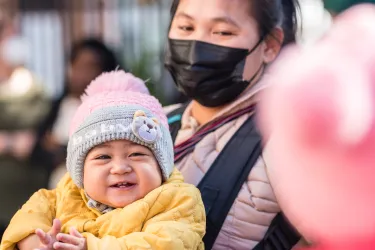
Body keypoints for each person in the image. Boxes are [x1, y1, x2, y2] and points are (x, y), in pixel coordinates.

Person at [1, 70, 206, 250]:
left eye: (136, 154)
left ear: (162, 164)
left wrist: (91, 246)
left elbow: (167, 244)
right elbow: (24, 222)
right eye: (103, 157)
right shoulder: (62, 195)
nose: (120, 168)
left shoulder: (179, 200)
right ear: (80, 171)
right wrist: (41, 244)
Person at [163, 0, 305, 249]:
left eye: (222, 32)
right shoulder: (152, 123)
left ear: (270, 45)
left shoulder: (289, 138)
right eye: (186, 27)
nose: (196, 47)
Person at [32, 38, 120, 188]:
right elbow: (37, 149)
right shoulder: (58, 104)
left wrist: (61, 148)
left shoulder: (111, 108)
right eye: (76, 65)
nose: (81, 73)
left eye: (89, 66)